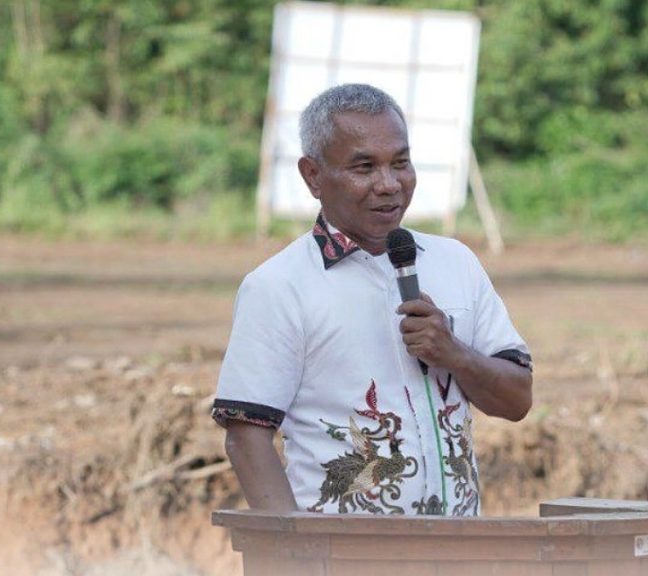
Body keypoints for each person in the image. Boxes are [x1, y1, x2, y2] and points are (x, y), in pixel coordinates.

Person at [211, 83, 532, 516]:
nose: (389, 184)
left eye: (400, 163)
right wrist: (292, 555)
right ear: (313, 176)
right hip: (343, 556)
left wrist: (455, 354)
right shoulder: (278, 286)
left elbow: (517, 401)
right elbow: (246, 437)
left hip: (458, 552)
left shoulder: (456, 263)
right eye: (364, 168)